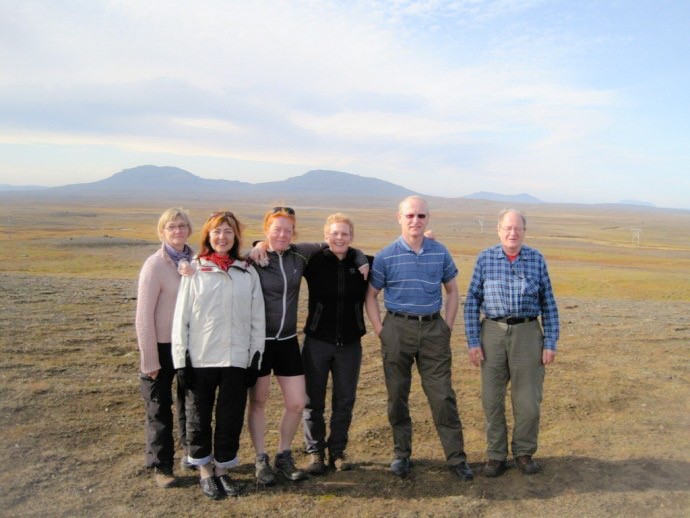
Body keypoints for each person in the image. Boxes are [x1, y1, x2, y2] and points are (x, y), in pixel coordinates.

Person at [247, 206, 368, 485]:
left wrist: (360, 256)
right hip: (269, 341)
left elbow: (344, 247)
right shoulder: (263, 258)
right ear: (266, 230)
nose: (282, 234)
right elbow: (234, 255)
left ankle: (301, 455)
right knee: (268, 401)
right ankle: (274, 457)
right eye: (276, 229)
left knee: (308, 402)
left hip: (296, 341)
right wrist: (258, 245)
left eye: (287, 230)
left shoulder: (303, 254)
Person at [365, 196, 473, 481]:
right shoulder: (386, 256)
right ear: (399, 217)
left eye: (421, 216)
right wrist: (380, 329)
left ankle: (456, 458)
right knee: (397, 396)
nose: (415, 221)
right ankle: (401, 455)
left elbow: (452, 291)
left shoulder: (440, 252)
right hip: (397, 330)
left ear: (428, 218)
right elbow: (371, 295)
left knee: (442, 396)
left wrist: (447, 326)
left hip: (433, 331)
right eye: (410, 215)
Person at [172, 211, 265, 499]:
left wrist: (254, 358)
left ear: (236, 236)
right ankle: (204, 471)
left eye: (228, 231)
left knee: (230, 417)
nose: (222, 237)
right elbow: (181, 318)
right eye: (216, 232)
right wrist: (181, 361)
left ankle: (223, 469)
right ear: (208, 236)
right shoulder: (195, 271)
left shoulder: (247, 272)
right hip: (201, 358)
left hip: (236, 359)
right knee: (198, 416)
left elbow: (257, 318)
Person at [464, 209, 559, 477]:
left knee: (528, 400)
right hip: (491, 333)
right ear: (498, 229)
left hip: (528, 333)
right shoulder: (485, 258)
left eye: (517, 228)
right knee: (491, 399)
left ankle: (524, 453)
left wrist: (550, 342)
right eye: (507, 228)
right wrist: (473, 340)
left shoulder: (536, 259)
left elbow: (549, 304)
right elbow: (472, 301)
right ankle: (496, 455)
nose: (512, 233)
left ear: (524, 231)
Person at [301, 213, 370, 475]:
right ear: (326, 235)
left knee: (344, 400)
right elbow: (279, 250)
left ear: (352, 237)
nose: (339, 238)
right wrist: (260, 246)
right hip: (317, 342)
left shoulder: (363, 263)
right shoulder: (314, 261)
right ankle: (315, 452)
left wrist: (360, 256)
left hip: (350, 345)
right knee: (312, 400)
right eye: (334, 233)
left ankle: (338, 451)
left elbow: (393, 261)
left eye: (344, 234)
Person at [135, 207, 195, 488]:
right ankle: (162, 466)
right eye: (171, 227)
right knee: (159, 406)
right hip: (160, 346)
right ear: (162, 232)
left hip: (190, 345)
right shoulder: (154, 265)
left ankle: (191, 452)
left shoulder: (197, 261)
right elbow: (143, 315)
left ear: (189, 230)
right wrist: (149, 359)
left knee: (190, 402)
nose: (178, 231)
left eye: (182, 226)